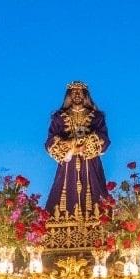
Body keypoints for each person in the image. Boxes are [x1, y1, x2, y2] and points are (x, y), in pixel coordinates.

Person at [44, 81, 110, 220]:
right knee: (64, 193)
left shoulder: (96, 117)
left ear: (86, 95)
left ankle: (98, 222)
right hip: (68, 163)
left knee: (95, 192)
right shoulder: (59, 117)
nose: (77, 94)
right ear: (69, 95)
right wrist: (70, 146)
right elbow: (50, 141)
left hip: (90, 162)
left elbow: (103, 138)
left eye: (80, 92)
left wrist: (86, 145)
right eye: (74, 92)